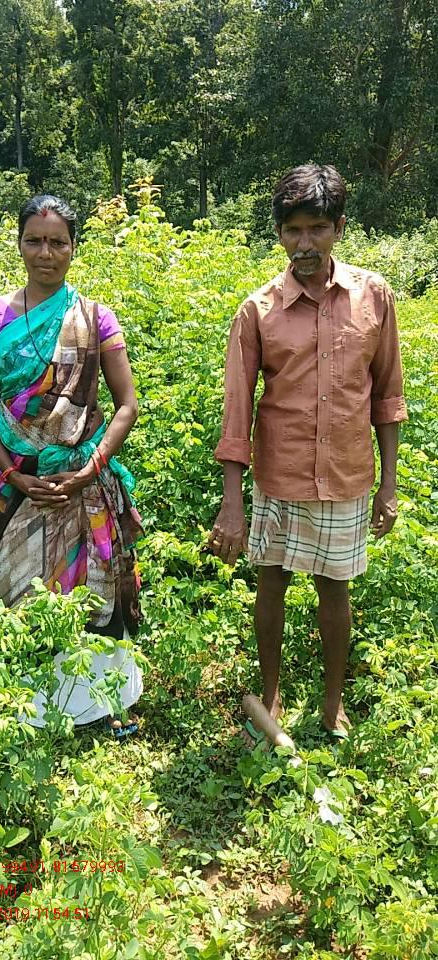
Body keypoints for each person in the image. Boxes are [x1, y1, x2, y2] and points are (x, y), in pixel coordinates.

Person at [209, 164, 408, 746]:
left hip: (346, 473)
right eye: (293, 230)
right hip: (280, 473)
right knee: (270, 582)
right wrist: (232, 504)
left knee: (334, 588)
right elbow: (237, 413)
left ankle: (332, 701)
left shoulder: (373, 297)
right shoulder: (257, 310)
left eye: (317, 228)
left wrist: (389, 484)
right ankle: (270, 694)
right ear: (279, 234)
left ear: (339, 229)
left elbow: (387, 396)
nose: (305, 243)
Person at [0, 194, 143, 738]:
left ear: (73, 247)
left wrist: (92, 468)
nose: (46, 253)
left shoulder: (95, 318)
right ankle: (30, 710)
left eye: (57, 242)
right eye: (34, 241)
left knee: (94, 586)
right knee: (21, 587)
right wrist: (12, 473)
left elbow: (127, 404)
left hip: (82, 479)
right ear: (20, 244)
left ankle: (103, 703)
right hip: (17, 478)